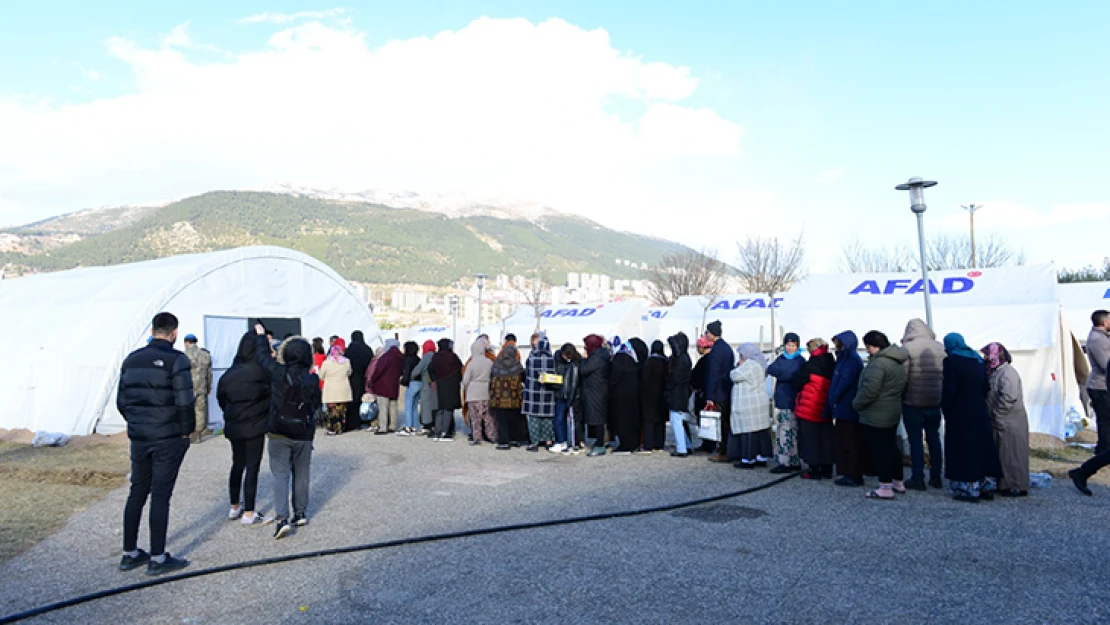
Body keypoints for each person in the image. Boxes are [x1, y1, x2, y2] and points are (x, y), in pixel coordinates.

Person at [117, 312, 194, 575]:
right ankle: (158, 558)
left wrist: (138, 422)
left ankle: (129, 553)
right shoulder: (177, 360)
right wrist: (187, 432)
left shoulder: (131, 359)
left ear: (152, 330)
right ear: (174, 333)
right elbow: (185, 401)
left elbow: (122, 401)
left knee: (137, 491)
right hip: (167, 437)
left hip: (140, 436)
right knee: (161, 495)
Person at [253, 325, 321, 538]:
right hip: (303, 431)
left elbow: (262, 357)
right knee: (302, 474)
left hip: (279, 430)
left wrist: (261, 337)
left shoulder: (277, 372)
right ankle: (300, 512)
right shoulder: (312, 379)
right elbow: (316, 405)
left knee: (280, 475)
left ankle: (282, 518)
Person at [217, 332, 271, 526]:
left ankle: (234, 506)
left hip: (235, 425)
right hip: (255, 424)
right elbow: (270, 397)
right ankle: (249, 511)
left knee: (237, 464)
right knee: (252, 467)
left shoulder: (229, 374)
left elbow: (221, 399)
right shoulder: (261, 373)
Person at [942, 333, 1003, 503]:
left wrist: (946, 408)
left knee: (964, 449)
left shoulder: (951, 361)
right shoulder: (977, 360)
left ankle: (968, 488)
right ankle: (987, 484)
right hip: (979, 409)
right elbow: (985, 386)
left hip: (960, 411)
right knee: (982, 446)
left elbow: (949, 389)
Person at [853, 331, 908, 500]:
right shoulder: (897, 362)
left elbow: (870, 390)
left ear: (876, 346)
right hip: (892, 409)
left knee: (880, 450)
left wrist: (856, 404)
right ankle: (898, 481)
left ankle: (885, 486)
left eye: (868, 347)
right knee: (891, 447)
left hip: (876, 412)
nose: (867, 351)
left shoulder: (878, 364)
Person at [901, 318, 946, 491]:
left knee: (915, 441)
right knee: (934, 438)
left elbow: (904, 376)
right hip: (935, 400)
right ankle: (936, 476)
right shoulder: (940, 347)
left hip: (913, 401)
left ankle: (917, 477)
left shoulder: (908, 349)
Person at [982, 342, 1030, 497]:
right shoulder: (997, 372)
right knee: (1004, 454)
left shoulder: (1008, 373)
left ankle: (1016, 485)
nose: (985, 358)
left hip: (1010, 421)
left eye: (987, 355)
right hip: (1003, 420)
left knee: (1013, 455)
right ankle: (1005, 484)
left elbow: (1009, 397)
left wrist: (997, 414)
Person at [793, 338, 836, 480]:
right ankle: (827, 468)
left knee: (810, 439)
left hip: (809, 407)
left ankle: (814, 469)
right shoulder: (832, 362)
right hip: (826, 407)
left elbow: (798, 382)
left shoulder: (810, 365)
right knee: (826, 439)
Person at [829, 331, 866, 487]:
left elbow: (845, 381)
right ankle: (846, 472)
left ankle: (854, 474)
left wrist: (834, 397)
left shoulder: (851, 360)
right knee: (843, 441)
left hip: (847, 405)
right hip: (841, 405)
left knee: (850, 442)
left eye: (839, 344)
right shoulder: (843, 359)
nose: (837, 347)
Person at [766, 333, 804, 473]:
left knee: (788, 431)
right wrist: (784, 373)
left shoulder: (800, 361)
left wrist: (781, 373)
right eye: (788, 345)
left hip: (792, 400)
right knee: (783, 429)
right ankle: (789, 459)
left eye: (793, 345)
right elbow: (770, 369)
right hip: (782, 399)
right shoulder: (782, 358)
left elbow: (791, 375)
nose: (790, 348)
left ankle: (787, 461)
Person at [730, 343, 773, 468]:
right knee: (760, 432)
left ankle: (748, 459)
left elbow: (734, 375)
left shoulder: (750, 365)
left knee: (748, 432)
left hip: (748, 403)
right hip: (759, 401)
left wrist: (738, 366)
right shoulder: (761, 364)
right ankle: (761, 457)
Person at [703, 320, 736, 462]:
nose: (706, 335)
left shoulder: (716, 350)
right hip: (727, 388)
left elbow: (713, 374)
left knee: (722, 423)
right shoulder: (727, 348)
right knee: (726, 421)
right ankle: (727, 449)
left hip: (719, 390)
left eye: (707, 332)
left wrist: (710, 395)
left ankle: (724, 451)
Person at [522, 334, 558, 451]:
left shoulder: (532, 358)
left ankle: (534, 442)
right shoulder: (553, 360)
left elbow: (527, 373)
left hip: (533, 393)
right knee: (547, 418)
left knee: (533, 419)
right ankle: (548, 441)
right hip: (548, 393)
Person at [490, 344, 526, 450]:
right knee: (515, 419)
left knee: (501, 421)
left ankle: (504, 441)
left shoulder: (496, 364)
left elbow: (491, 378)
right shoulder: (517, 365)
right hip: (514, 398)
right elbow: (523, 378)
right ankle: (515, 439)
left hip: (499, 398)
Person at [461, 337, 496, 446]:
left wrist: (466, 387)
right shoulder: (489, 362)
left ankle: (477, 438)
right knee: (488, 417)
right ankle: (491, 436)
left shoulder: (471, 363)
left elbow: (465, 380)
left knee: (475, 418)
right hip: (485, 392)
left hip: (473, 394)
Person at [609, 342, 642, 455]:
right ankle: (633, 443)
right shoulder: (631, 360)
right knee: (631, 421)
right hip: (632, 396)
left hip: (620, 396)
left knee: (622, 421)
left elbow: (614, 377)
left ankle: (625, 445)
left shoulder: (618, 359)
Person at [581, 334, 612, 457]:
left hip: (596, 391)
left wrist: (583, 359)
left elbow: (584, 370)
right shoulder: (601, 355)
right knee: (597, 417)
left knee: (597, 418)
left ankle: (600, 445)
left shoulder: (596, 358)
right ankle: (599, 442)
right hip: (598, 389)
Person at [665, 333, 694, 457]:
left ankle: (682, 448)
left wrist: (667, 387)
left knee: (676, 420)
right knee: (679, 420)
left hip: (676, 393)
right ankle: (686, 445)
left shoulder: (680, 359)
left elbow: (675, 378)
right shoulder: (686, 357)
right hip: (682, 392)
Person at [639, 340, 669, 453]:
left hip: (649, 395)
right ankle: (659, 444)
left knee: (649, 420)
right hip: (662, 394)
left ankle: (648, 445)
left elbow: (644, 379)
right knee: (660, 420)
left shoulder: (649, 362)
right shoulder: (666, 361)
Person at [1086, 310, 1110, 454]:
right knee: (1106, 421)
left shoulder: (1103, 338)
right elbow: (1106, 364)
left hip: (1104, 385)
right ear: (1104, 322)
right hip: (1100, 386)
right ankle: (1103, 452)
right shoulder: (1097, 340)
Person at [369, 339, 404, 435]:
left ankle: (383, 427)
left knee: (383, 407)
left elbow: (378, 370)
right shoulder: (400, 357)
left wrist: (372, 380)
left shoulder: (386, 357)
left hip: (383, 384)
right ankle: (393, 425)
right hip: (394, 384)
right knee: (393, 406)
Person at [431, 338, 463, 441]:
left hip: (439, 384)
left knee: (440, 408)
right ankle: (445, 432)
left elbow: (431, 370)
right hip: (451, 385)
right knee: (448, 409)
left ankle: (437, 432)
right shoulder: (452, 357)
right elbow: (460, 368)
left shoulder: (435, 357)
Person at [553, 343, 583, 453]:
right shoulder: (574, 363)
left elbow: (573, 383)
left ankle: (564, 442)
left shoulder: (574, 364)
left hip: (567, 394)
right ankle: (564, 441)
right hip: (564, 394)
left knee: (562, 420)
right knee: (561, 420)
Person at [183, 333, 213, 441]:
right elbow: (209, 373)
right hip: (202, 387)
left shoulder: (183, 355)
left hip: (188, 388)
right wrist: (209, 387)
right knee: (200, 411)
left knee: (188, 410)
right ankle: (198, 434)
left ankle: (189, 433)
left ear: (186, 342)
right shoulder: (205, 355)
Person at [319, 344, 352, 436]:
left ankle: (332, 428)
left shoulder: (326, 363)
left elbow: (321, 375)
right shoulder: (346, 361)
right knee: (342, 409)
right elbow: (349, 372)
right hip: (343, 388)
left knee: (332, 410)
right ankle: (341, 427)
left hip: (331, 389)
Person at [345, 331, 374, 432]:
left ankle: (353, 422)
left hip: (352, 377)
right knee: (364, 399)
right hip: (364, 377)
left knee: (352, 400)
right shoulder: (367, 349)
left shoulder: (349, 349)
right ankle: (365, 420)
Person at [691, 335, 715, 453]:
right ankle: (709, 443)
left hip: (703, 393)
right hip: (706, 392)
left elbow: (696, 377)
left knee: (705, 419)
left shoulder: (705, 361)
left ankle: (708, 444)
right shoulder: (712, 359)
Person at [409, 341, 438, 436]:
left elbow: (417, 370)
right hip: (436, 385)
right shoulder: (435, 355)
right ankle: (435, 424)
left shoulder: (426, 357)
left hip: (426, 385)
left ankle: (427, 425)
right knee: (435, 405)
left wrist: (411, 376)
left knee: (426, 406)